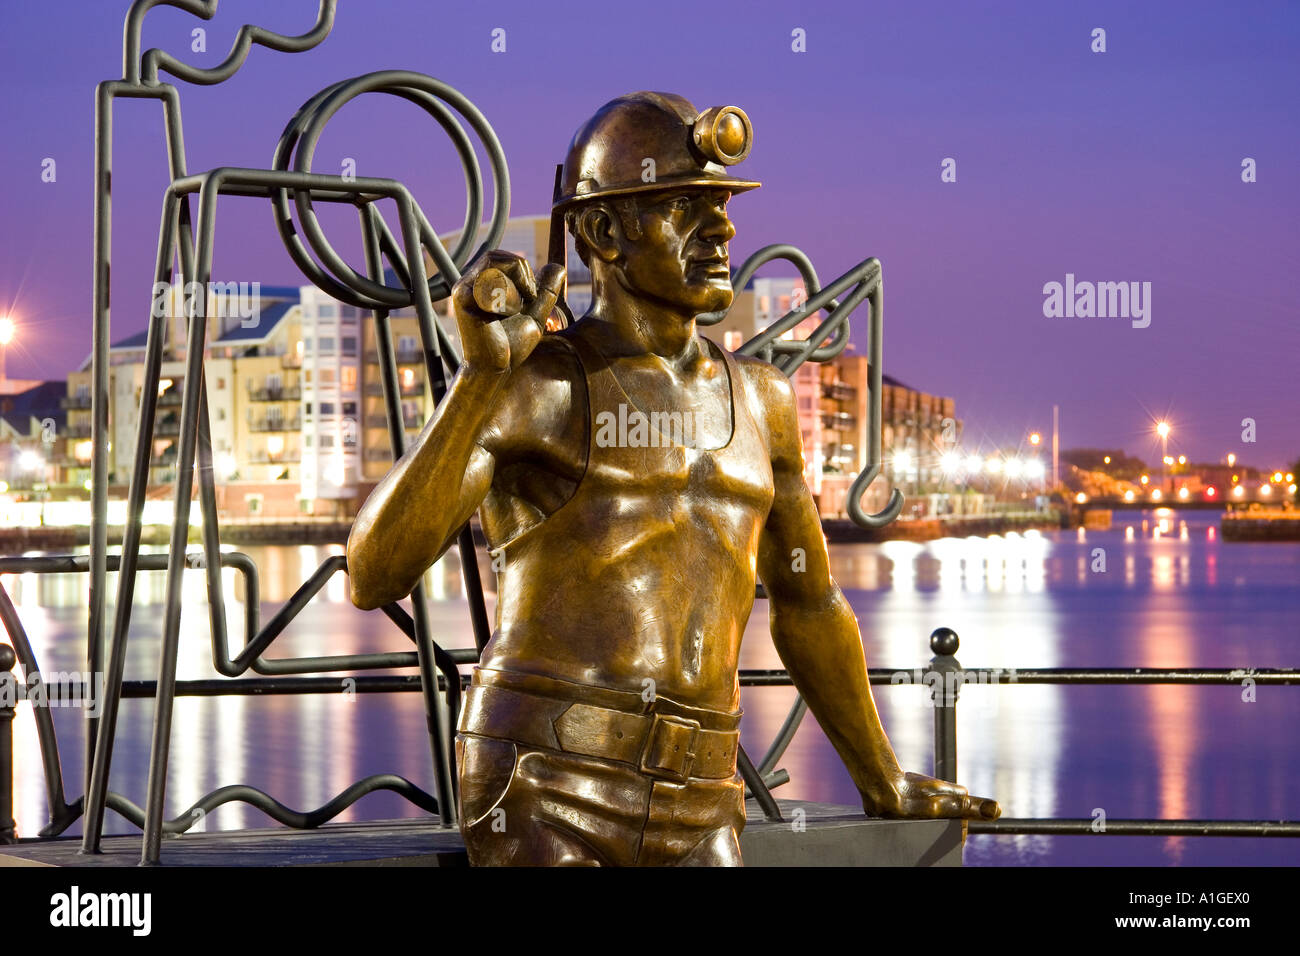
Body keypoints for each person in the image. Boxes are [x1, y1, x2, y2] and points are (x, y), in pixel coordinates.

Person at [347, 91, 1000, 866]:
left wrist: (881, 776)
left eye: (720, 207)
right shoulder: (540, 386)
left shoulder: (763, 401)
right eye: (683, 207)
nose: (721, 229)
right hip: (543, 775)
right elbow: (373, 571)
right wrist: (478, 382)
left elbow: (810, 604)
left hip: (704, 792)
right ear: (601, 231)